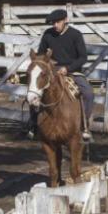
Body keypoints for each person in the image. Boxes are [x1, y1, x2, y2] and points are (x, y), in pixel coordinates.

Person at [27, 9, 93, 141]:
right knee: (34, 91)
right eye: (53, 23)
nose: (55, 25)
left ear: (65, 20)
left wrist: (67, 68)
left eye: (58, 22)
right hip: (51, 71)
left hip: (72, 71)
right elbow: (41, 56)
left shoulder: (75, 34)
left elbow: (83, 57)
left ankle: (84, 126)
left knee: (88, 93)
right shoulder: (48, 34)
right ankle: (33, 125)